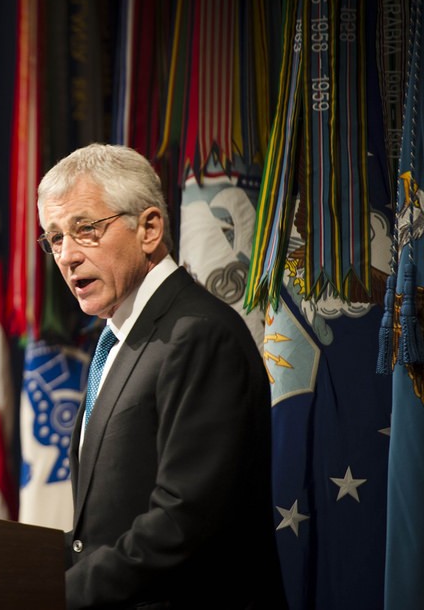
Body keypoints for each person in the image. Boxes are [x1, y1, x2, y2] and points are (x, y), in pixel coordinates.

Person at [36, 144, 287, 609]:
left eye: (84, 229)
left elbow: (184, 520)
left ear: (149, 228)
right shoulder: (120, 335)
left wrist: (57, 595)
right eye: (54, 238)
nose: (66, 256)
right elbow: (108, 521)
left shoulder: (197, 335)